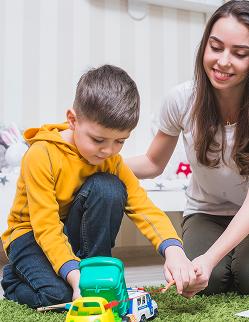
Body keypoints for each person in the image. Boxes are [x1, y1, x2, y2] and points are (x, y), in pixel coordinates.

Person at [125, 0, 249, 298]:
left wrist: (211, 256)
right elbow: (153, 163)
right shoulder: (180, 99)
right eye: (215, 47)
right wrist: (100, 163)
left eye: (239, 54)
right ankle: (226, 258)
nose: (223, 61)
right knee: (208, 282)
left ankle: (238, 256)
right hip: (205, 211)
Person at [1, 65, 197, 308]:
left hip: (68, 233)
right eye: (98, 140)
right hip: (30, 236)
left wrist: (173, 251)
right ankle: (13, 280)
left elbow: (143, 206)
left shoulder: (111, 161)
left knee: (110, 187)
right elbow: (47, 227)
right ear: (72, 120)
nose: (108, 151)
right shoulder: (40, 155)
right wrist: (75, 279)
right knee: (59, 295)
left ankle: (92, 272)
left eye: (120, 141)